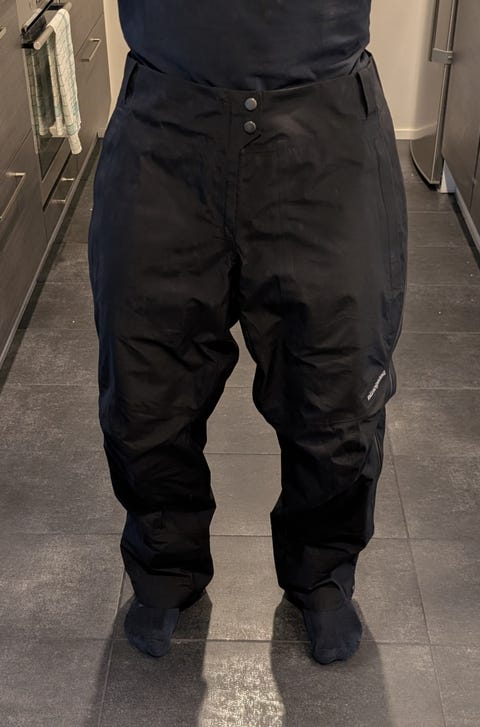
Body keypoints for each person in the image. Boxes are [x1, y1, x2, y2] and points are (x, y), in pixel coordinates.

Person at [87, 1, 408, 665]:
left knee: (336, 384)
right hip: (166, 132)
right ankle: (165, 564)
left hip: (324, 135)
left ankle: (321, 571)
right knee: (146, 382)